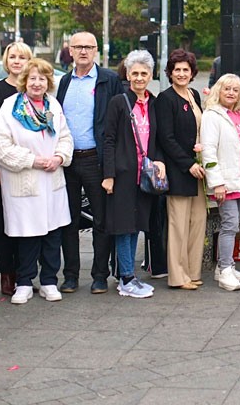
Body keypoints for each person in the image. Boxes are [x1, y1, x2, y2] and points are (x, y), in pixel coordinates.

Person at [0, 58, 73, 305]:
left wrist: (59, 157)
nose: (37, 83)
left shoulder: (53, 106)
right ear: (25, 81)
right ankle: (24, 282)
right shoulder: (9, 107)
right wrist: (32, 160)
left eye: (42, 78)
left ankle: (49, 281)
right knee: (27, 234)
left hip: (52, 178)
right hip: (24, 178)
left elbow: (66, 137)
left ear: (49, 82)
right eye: (33, 78)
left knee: (52, 234)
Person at [55, 31, 125, 294]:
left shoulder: (109, 80)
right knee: (68, 220)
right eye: (78, 47)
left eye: (88, 47)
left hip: (97, 159)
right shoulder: (64, 82)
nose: (83, 51)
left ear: (96, 51)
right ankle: (70, 275)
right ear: (70, 51)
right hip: (68, 160)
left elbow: (120, 121)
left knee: (101, 221)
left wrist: (112, 167)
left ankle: (99, 275)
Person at [101, 50, 164, 299]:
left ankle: (129, 275)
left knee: (136, 226)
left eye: (144, 73)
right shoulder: (119, 102)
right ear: (127, 74)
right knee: (123, 227)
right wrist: (109, 175)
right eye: (134, 73)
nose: (139, 77)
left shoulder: (154, 102)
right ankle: (126, 278)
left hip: (144, 176)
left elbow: (156, 138)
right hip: (123, 174)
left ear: (150, 75)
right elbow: (109, 139)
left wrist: (159, 162)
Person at [0, 41, 32, 296]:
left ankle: (26, 271)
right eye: (13, 57)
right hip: (2, 168)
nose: (17, 61)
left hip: (30, 169)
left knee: (28, 221)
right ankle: (6, 274)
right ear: (6, 60)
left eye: (22, 57)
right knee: (3, 222)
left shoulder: (35, 90)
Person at [156, 48, 207, 290]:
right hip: (179, 171)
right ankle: (177, 276)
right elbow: (166, 139)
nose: (181, 73)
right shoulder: (166, 99)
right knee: (178, 226)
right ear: (170, 72)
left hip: (198, 171)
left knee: (198, 222)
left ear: (192, 72)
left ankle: (193, 271)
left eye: (186, 70)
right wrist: (188, 165)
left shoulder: (194, 95)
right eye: (177, 70)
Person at [202, 73, 240, 291]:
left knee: (234, 223)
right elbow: (208, 151)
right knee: (230, 225)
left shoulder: (237, 114)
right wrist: (217, 183)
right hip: (226, 183)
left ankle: (227, 266)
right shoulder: (212, 116)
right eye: (227, 89)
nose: (231, 93)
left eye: (235, 89)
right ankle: (224, 271)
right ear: (218, 91)